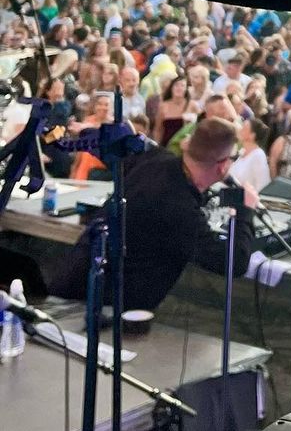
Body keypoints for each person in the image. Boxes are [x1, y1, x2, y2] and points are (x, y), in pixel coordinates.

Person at [47, 117, 259, 311]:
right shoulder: (180, 209)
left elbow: (119, 147)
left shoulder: (155, 159)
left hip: (75, 278)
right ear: (222, 166)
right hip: (97, 308)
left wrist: (89, 131)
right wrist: (246, 211)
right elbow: (233, 263)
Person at [231, 115, 271, 191]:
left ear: (252, 136)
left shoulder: (258, 155)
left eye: (244, 128)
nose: (240, 129)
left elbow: (263, 184)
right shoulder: (241, 152)